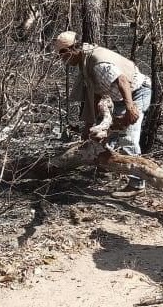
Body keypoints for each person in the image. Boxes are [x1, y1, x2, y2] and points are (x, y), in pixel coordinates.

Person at [53, 31, 152, 197]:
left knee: (128, 137)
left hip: (136, 92)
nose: (62, 59)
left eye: (63, 54)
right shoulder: (85, 61)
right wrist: (90, 123)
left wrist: (130, 107)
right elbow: (95, 93)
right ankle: (108, 165)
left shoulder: (97, 62)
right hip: (119, 98)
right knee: (107, 134)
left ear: (72, 50)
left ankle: (137, 184)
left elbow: (122, 80)